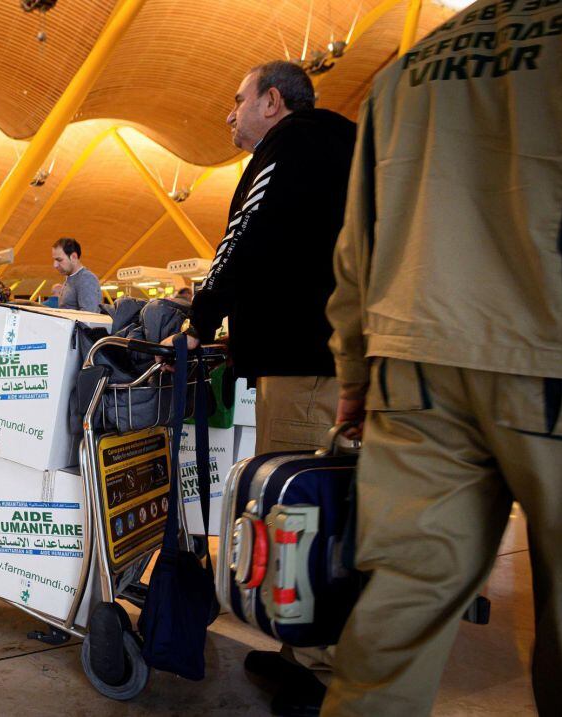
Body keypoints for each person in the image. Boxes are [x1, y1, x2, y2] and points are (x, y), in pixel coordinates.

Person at [322, 2, 562, 715]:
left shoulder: (410, 68)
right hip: (547, 346)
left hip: (416, 367)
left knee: (394, 618)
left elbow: (357, 239)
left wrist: (354, 372)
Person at [165, 60, 356, 715]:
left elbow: (242, 238)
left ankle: (324, 673)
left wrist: (199, 321)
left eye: (237, 99)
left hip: (306, 363)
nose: (229, 113)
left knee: (309, 513)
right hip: (332, 357)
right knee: (321, 509)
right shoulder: (336, 147)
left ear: (272, 102)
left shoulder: (290, 144)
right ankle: (298, 650)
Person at [51, 237, 100, 313]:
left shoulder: (86, 279)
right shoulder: (69, 279)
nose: (55, 265)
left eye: (59, 260)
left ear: (73, 257)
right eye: (54, 260)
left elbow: (89, 319)